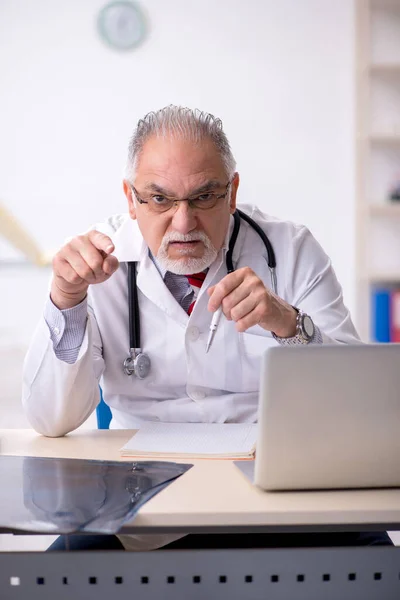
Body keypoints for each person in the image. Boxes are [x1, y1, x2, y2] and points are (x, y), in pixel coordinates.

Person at [22, 105, 390, 550]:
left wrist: (288, 323)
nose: (183, 223)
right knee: (56, 577)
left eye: (203, 197)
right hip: (141, 501)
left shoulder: (290, 250)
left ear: (232, 192)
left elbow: (354, 401)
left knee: (376, 565)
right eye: (159, 199)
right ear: (130, 198)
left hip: (281, 490)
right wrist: (66, 299)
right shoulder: (93, 263)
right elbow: (49, 420)